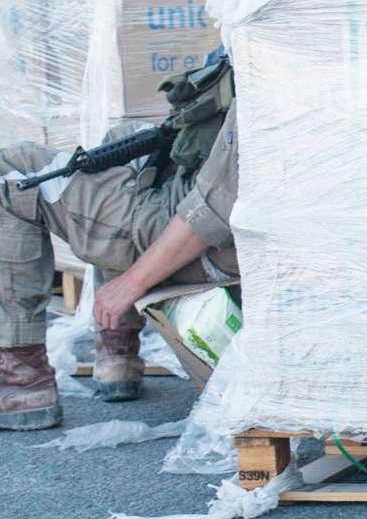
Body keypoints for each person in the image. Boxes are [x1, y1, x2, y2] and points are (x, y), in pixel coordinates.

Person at [0, 54, 238, 430]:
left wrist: (131, 283)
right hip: (217, 225)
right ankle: (117, 355)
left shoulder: (274, 67)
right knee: (123, 141)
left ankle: (23, 380)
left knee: (12, 171)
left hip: (213, 244)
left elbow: (214, 207)